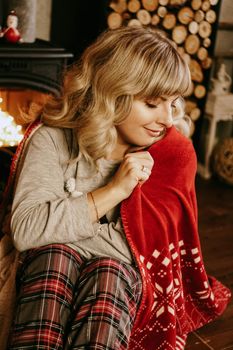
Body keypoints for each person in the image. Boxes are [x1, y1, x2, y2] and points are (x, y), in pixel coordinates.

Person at [7, 26, 230, 350]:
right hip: (49, 272)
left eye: (173, 103)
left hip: (119, 284)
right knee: (55, 259)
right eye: (153, 103)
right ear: (111, 94)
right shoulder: (52, 139)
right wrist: (114, 191)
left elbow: (141, 252)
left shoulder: (172, 153)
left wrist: (59, 227)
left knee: (107, 271)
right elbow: (26, 230)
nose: (167, 119)